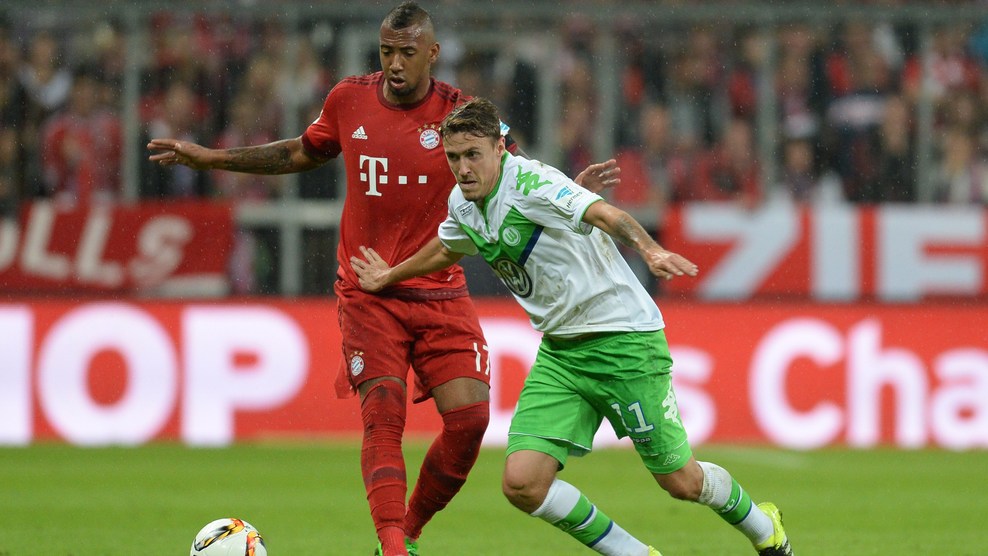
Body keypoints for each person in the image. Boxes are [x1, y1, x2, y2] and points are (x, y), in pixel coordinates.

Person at [147, 3, 618, 555]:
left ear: (432, 54)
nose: (394, 63)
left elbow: (514, 172)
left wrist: (569, 193)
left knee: (470, 421)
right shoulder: (348, 99)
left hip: (439, 286)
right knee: (383, 415)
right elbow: (299, 152)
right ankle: (394, 548)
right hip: (369, 289)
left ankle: (407, 534)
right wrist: (212, 160)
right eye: (386, 51)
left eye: (407, 53)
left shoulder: (459, 113)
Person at [350, 97, 794, 556]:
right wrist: (391, 275)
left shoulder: (531, 183)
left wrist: (650, 249)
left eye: (473, 155)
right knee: (522, 482)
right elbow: (449, 247)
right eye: (454, 157)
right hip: (561, 354)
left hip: (624, 342)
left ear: (499, 147)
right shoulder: (463, 203)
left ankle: (766, 528)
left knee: (682, 481)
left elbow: (606, 214)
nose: (463, 169)